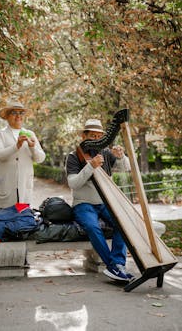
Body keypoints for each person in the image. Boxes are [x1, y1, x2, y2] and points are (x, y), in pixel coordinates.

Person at [66, 118, 134, 282]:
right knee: (92, 226)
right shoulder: (74, 156)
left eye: (99, 137)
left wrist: (121, 156)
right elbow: (73, 183)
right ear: (84, 136)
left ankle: (117, 264)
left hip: (105, 203)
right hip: (83, 204)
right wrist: (91, 166)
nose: (96, 140)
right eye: (92, 136)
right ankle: (114, 267)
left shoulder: (105, 153)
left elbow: (127, 168)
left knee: (123, 223)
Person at [0, 101, 46, 209]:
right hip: (7, 185)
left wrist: (32, 147)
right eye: (14, 113)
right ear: (7, 116)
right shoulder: (0, 133)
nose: (18, 116)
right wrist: (16, 145)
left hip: (24, 185)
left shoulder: (30, 134)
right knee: (6, 219)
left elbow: (40, 158)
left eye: (21, 113)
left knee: (22, 220)